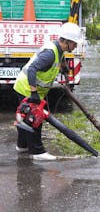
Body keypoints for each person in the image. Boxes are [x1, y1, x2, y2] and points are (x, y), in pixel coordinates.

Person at [13, 22, 82, 161]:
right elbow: (32, 69)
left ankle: (22, 146)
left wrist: (64, 69)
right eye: (74, 43)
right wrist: (33, 93)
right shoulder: (50, 54)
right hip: (27, 88)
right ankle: (37, 152)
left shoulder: (59, 50)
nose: (76, 46)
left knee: (26, 118)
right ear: (66, 41)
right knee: (35, 119)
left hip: (26, 87)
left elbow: (60, 61)